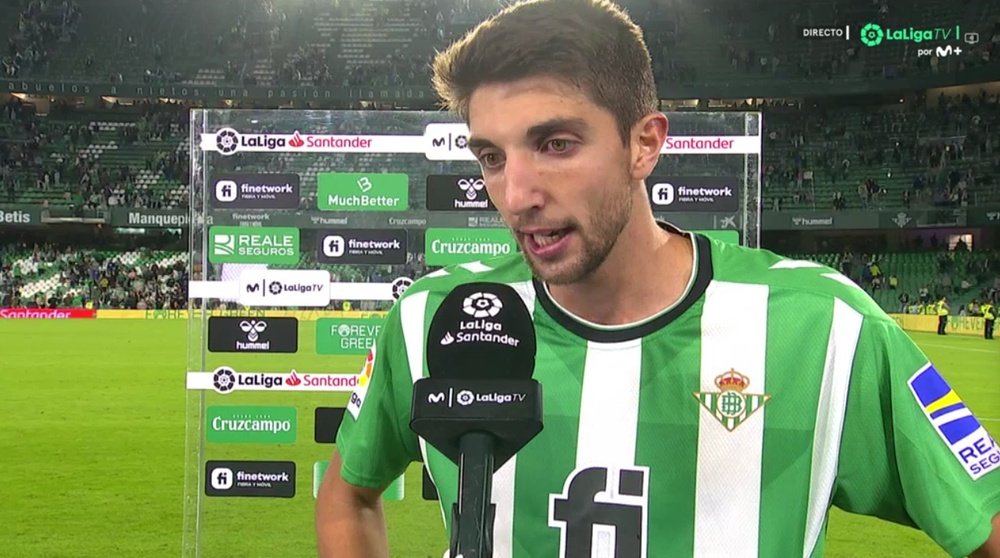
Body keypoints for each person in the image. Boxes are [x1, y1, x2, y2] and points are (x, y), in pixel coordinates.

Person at [314, 1, 1000, 556]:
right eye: (492, 156)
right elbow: (349, 494)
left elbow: (983, 518)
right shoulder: (433, 319)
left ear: (645, 143)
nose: (515, 193)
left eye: (556, 144)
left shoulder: (824, 327)